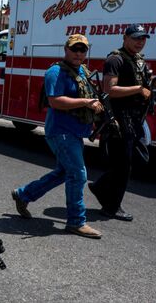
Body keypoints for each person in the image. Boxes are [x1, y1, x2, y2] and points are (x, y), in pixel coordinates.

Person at [11, 34, 104, 239]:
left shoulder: (83, 71)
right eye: (75, 49)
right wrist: (86, 102)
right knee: (78, 174)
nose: (79, 53)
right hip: (61, 132)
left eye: (83, 50)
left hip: (75, 132)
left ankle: (24, 194)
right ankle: (76, 222)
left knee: (64, 172)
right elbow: (55, 101)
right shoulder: (55, 72)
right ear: (66, 49)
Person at [88, 24, 156, 221]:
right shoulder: (115, 59)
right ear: (125, 38)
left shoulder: (139, 60)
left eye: (143, 39)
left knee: (139, 159)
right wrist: (137, 90)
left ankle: (100, 186)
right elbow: (110, 90)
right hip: (119, 119)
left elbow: (147, 87)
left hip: (135, 119)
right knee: (124, 166)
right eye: (136, 38)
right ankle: (111, 207)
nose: (140, 42)